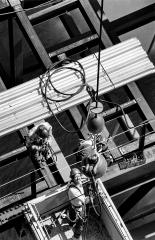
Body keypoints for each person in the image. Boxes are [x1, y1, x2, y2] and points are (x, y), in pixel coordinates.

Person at [67, 168, 87, 240]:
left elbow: (84, 178)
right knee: (80, 225)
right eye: (76, 177)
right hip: (78, 208)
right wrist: (92, 196)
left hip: (73, 206)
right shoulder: (73, 190)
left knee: (72, 218)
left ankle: (70, 226)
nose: (79, 178)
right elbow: (84, 200)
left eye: (79, 176)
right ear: (73, 178)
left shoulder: (73, 182)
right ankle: (75, 237)